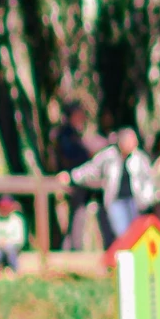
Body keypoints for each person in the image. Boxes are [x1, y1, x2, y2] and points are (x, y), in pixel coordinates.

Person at [68, 125, 155, 244]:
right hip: (116, 201)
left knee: (136, 234)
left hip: (135, 201)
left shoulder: (139, 159)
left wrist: (147, 198)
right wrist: (72, 176)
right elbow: (91, 169)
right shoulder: (109, 156)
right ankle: (123, 259)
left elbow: (148, 179)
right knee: (122, 233)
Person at [53, 102, 97, 250]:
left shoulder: (76, 135)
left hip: (79, 180)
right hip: (70, 180)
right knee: (73, 218)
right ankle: (72, 249)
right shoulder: (66, 135)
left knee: (78, 217)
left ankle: (73, 248)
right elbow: (70, 156)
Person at [0, 193, 27, 273]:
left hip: (12, 248)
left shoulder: (17, 220)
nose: (4, 210)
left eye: (6, 207)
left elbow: (20, 240)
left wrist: (7, 242)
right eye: (2, 207)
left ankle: (15, 270)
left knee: (9, 250)